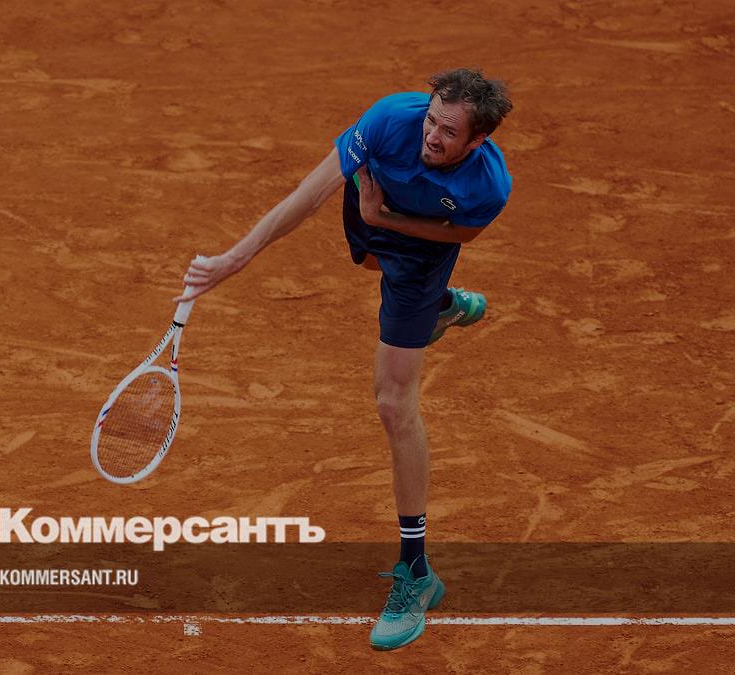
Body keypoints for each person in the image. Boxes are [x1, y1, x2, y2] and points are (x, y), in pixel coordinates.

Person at [174, 68, 513, 650]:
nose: (431, 136)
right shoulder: (387, 121)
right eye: (431, 120)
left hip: (422, 248)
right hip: (369, 211)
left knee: (393, 404)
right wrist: (237, 258)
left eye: (448, 132)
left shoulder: (488, 185)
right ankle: (440, 309)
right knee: (369, 262)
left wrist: (388, 220)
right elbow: (308, 196)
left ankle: (416, 572)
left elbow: (463, 236)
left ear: (477, 141)